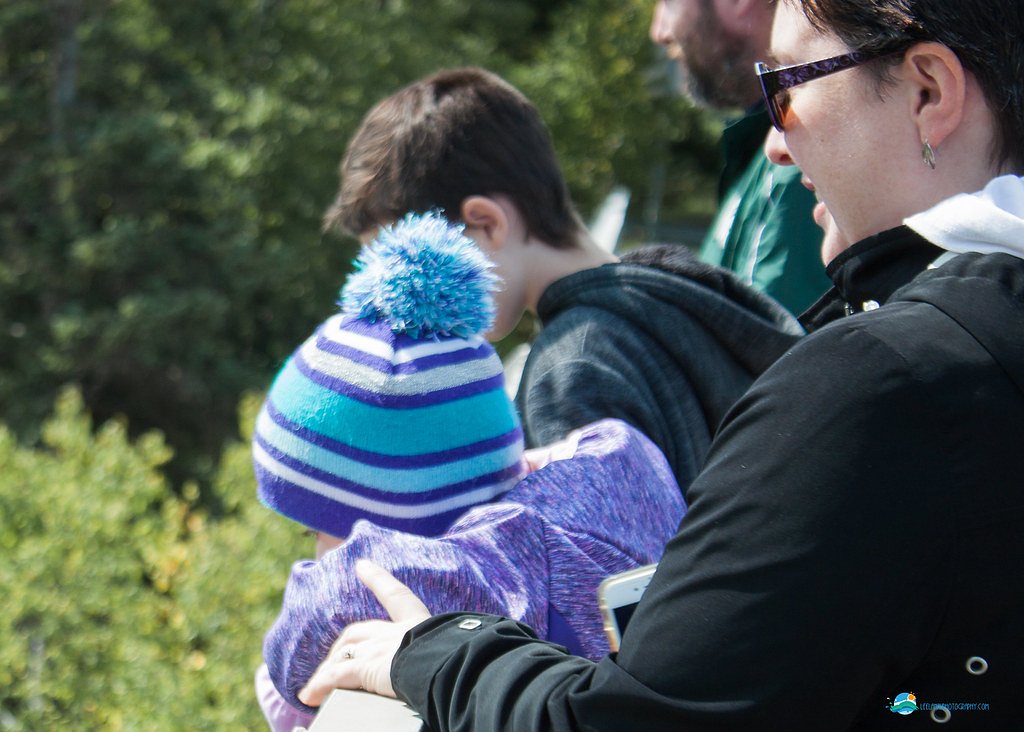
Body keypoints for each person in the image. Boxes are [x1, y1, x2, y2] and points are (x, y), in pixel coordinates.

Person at [297, 1, 1024, 728]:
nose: (773, 142)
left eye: (787, 90)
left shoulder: (880, 380)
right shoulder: (688, 292)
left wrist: (433, 650)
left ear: (928, 90)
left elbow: (624, 696)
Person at [253, 211, 686, 729]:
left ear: (397, 530)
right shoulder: (609, 478)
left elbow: (302, 644)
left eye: (314, 530)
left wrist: (281, 701)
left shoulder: (464, 578)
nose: (314, 555)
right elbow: (611, 445)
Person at [326, 65, 803, 492]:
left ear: (485, 223)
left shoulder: (569, 371)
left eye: (406, 263)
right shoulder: (684, 287)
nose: (403, 309)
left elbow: (597, 575)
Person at [650, 0, 831, 315]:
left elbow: (776, 351)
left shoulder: (798, 162)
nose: (659, 31)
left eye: (668, 3)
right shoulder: (762, 148)